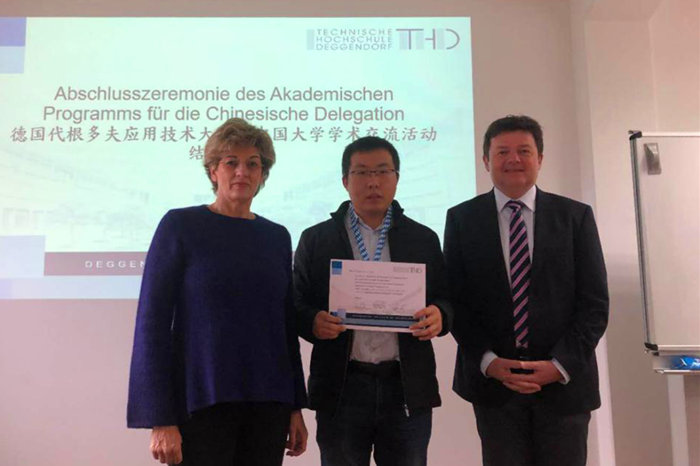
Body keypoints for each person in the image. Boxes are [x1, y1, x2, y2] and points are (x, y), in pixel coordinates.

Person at [127, 118, 307, 465]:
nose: (242, 172)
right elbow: (152, 324)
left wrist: (295, 406)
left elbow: (284, 329)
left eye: (253, 164)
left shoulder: (276, 237)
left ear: (262, 174)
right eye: (231, 162)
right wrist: (160, 417)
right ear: (213, 171)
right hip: (201, 403)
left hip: (268, 406)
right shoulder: (180, 226)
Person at [444, 115, 609, 466]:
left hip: (564, 386)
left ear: (540, 158)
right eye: (502, 152)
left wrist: (559, 365)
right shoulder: (462, 219)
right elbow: (457, 302)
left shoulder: (575, 217)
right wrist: (488, 362)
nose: (513, 159)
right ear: (486, 160)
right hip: (495, 387)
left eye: (524, 151)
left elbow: (594, 305)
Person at [293, 136, 452, 466]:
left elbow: (448, 296)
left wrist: (441, 315)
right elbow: (296, 302)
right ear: (345, 181)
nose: (373, 182)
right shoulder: (316, 239)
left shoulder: (423, 238)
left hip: (405, 386)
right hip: (342, 387)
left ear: (397, 178)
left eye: (382, 171)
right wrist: (312, 321)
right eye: (362, 172)